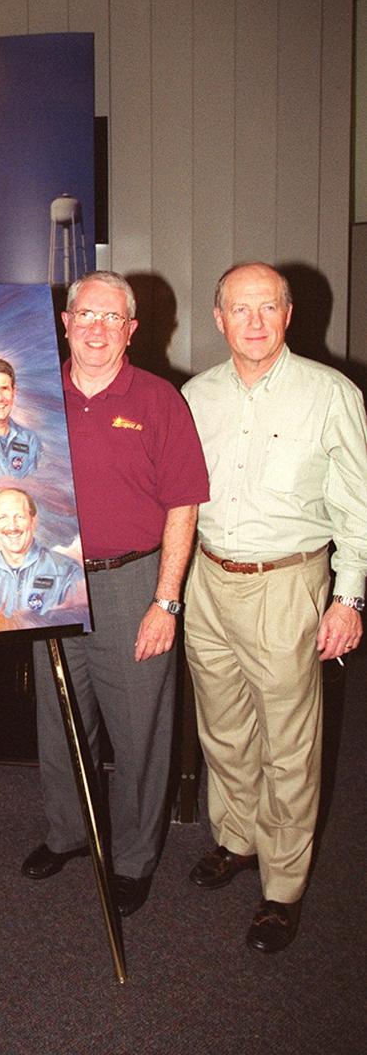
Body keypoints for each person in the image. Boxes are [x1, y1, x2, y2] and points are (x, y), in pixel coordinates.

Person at [182, 262, 367, 953]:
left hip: (289, 583)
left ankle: (283, 886)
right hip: (207, 581)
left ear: (289, 315)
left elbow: (359, 507)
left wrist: (348, 598)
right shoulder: (195, 396)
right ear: (218, 318)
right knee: (223, 730)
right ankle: (237, 838)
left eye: (268, 307)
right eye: (240, 308)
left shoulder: (331, 394)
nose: (254, 321)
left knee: (290, 744)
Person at [26, 271, 209, 917]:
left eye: (112, 318)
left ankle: (132, 859)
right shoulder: (36, 396)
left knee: (140, 731)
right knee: (59, 718)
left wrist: (166, 602)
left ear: (132, 330)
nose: (97, 328)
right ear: (65, 322)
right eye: (86, 315)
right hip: (54, 581)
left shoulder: (161, 401)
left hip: (135, 581)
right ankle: (69, 832)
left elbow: (184, 507)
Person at [0, 488, 81, 617]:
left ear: (33, 521)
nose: (12, 526)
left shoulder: (67, 571)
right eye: (3, 517)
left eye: (20, 517)